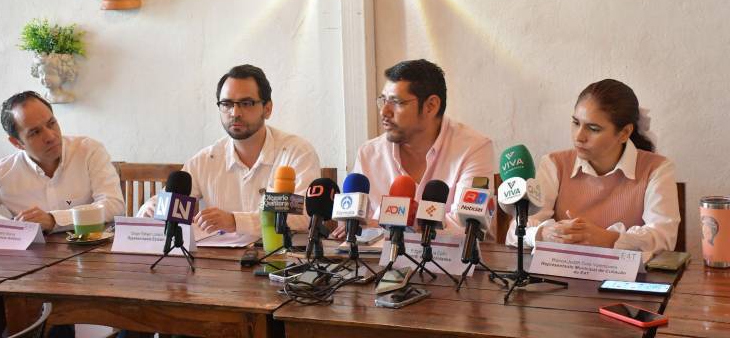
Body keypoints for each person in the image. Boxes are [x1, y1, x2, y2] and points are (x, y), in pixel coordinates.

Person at [138, 65, 321, 236]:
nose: (235, 113)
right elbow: (167, 202)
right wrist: (150, 210)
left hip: (281, 261)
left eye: (246, 103)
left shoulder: (297, 152)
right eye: (226, 104)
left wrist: (235, 221)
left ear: (267, 108)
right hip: (220, 264)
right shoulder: (205, 160)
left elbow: (304, 215)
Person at [509, 79, 679, 256]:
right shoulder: (555, 164)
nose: (579, 136)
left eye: (593, 128)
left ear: (624, 133)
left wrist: (605, 238)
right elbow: (515, 231)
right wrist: (544, 234)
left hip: (626, 282)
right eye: (576, 123)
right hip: (562, 278)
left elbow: (664, 238)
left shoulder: (657, 169)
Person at [335, 59, 494, 237]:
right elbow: (352, 226)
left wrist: (396, 222)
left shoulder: (474, 148)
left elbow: (464, 225)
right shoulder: (369, 153)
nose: (384, 112)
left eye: (396, 102)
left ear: (431, 106)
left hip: (445, 263)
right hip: (377, 263)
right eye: (383, 100)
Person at [0, 91, 124, 231]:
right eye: (35, 132)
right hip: (30, 260)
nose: (50, 136)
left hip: (93, 255)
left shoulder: (89, 151)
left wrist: (54, 219)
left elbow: (114, 205)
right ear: (16, 143)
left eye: (51, 123)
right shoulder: (3, 173)